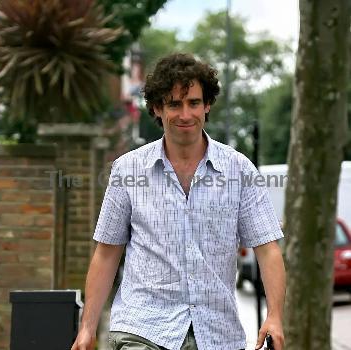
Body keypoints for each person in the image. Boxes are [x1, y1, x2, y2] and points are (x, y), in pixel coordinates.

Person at [71, 53, 285, 350]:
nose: (185, 114)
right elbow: (107, 253)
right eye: (174, 104)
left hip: (217, 333)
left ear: (207, 104)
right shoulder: (127, 170)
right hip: (143, 327)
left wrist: (274, 316)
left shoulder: (239, 170)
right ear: (158, 108)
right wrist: (87, 328)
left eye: (193, 103)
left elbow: (268, 247)